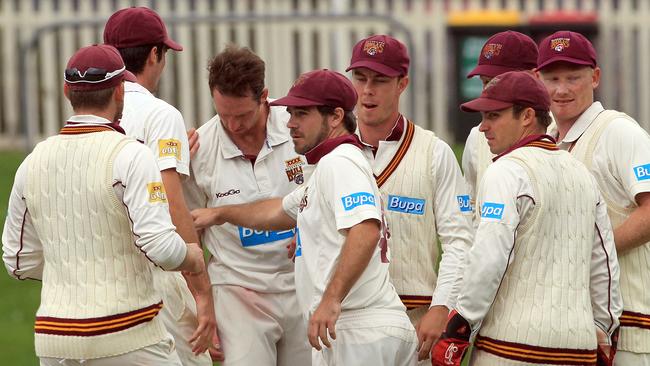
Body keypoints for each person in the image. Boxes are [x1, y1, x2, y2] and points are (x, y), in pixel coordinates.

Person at [191, 69, 418, 366]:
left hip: (359, 330)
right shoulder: (331, 167)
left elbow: (365, 230)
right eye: (290, 113)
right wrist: (220, 213)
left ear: (335, 117)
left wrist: (330, 300)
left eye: (301, 114)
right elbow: (278, 211)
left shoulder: (340, 163)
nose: (290, 123)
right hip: (367, 329)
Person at [1, 44, 206, 365]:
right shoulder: (133, 155)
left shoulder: (32, 162)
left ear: (68, 91)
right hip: (128, 335)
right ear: (120, 91)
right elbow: (162, 248)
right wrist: (193, 258)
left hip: (56, 340)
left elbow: (16, 260)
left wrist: (73, 266)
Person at [430, 71, 622, 366]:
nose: (482, 127)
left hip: (509, 349)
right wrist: (604, 331)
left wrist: (460, 327)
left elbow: (489, 257)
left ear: (527, 116)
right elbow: (605, 265)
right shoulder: (581, 173)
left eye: (493, 116)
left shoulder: (505, 170)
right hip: (578, 348)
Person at [344, 34, 473, 361]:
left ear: (403, 83)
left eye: (380, 80)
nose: (367, 89)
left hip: (414, 321)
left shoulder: (434, 152)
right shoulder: (335, 153)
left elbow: (459, 240)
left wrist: (441, 306)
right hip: (348, 317)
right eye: (360, 78)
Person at [182, 45, 311, 366]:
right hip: (237, 289)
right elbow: (189, 232)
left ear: (264, 96)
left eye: (242, 115)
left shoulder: (299, 127)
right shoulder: (201, 147)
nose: (233, 126)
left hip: (304, 282)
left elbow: (327, 192)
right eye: (223, 114)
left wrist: (312, 229)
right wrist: (203, 303)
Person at [103, 7, 217, 364]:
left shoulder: (91, 109)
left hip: (102, 280)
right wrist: (201, 290)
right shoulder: (161, 115)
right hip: (156, 280)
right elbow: (171, 201)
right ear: (155, 54)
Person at [536, 30, 650, 366]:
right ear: (537, 80)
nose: (562, 89)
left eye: (574, 77)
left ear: (595, 77)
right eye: (552, 78)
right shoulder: (548, 141)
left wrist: (591, 251)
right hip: (574, 328)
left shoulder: (618, 131)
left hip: (631, 328)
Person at [461, 30, 539, 212]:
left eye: (502, 81)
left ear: (535, 77)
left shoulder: (557, 133)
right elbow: (469, 203)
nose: (490, 90)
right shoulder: (477, 137)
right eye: (486, 82)